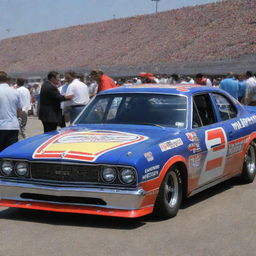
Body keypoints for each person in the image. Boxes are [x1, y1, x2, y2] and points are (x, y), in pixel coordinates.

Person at [0, 71, 22, 152]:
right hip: (13, 126)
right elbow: (19, 110)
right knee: (10, 153)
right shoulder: (15, 91)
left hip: (1, 126)